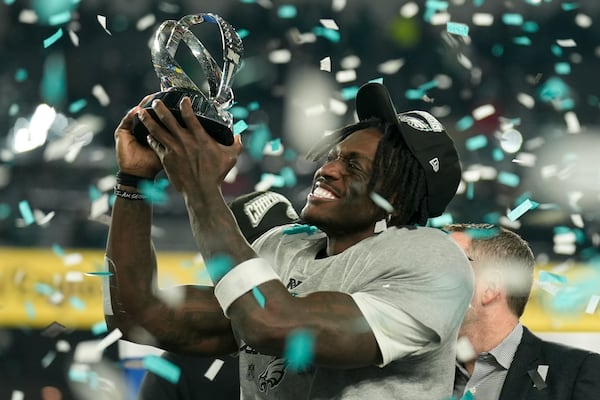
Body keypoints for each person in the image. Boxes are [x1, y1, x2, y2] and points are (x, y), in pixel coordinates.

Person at [104, 81, 474, 399]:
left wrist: (201, 189)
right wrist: (133, 182)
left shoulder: (434, 262)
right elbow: (138, 314)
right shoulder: (284, 245)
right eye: (333, 157)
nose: (327, 170)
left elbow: (271, 324)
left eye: (354, 166)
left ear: (396, 199)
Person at [136, 190, 300, 400]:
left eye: (296, 247)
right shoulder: (182, 366)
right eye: (272, 249)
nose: (291, 259)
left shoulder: (325, 333)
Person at [446, 223, 600, 400]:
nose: (422, 281)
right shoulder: (417, 370)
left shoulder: (576, 373)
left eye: (443, 269)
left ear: (490, 287)